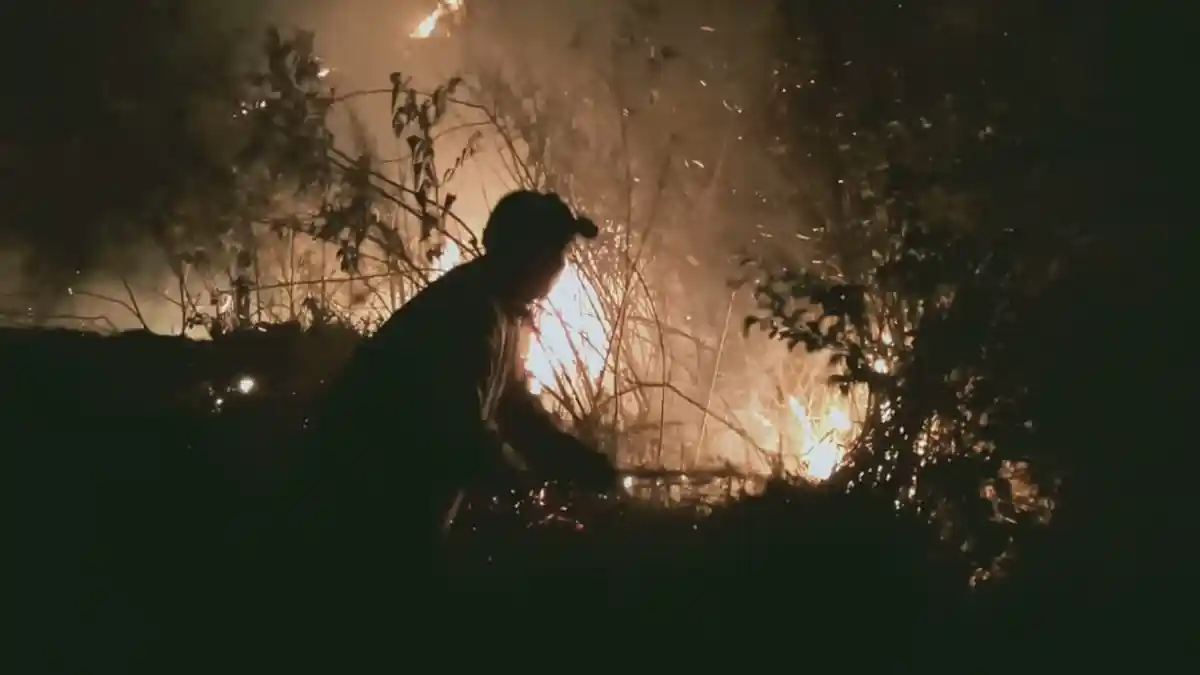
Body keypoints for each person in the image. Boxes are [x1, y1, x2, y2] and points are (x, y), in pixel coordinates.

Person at [289, 190, 617, 613]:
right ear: (520, 251)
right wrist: (516, 479)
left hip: (395, 501)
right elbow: (455, 428)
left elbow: (515, 412)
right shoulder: (470, 314)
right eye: (552, 250)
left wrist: (577, 463)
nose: (559, 265)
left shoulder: (502, 313)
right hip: (366, 499)